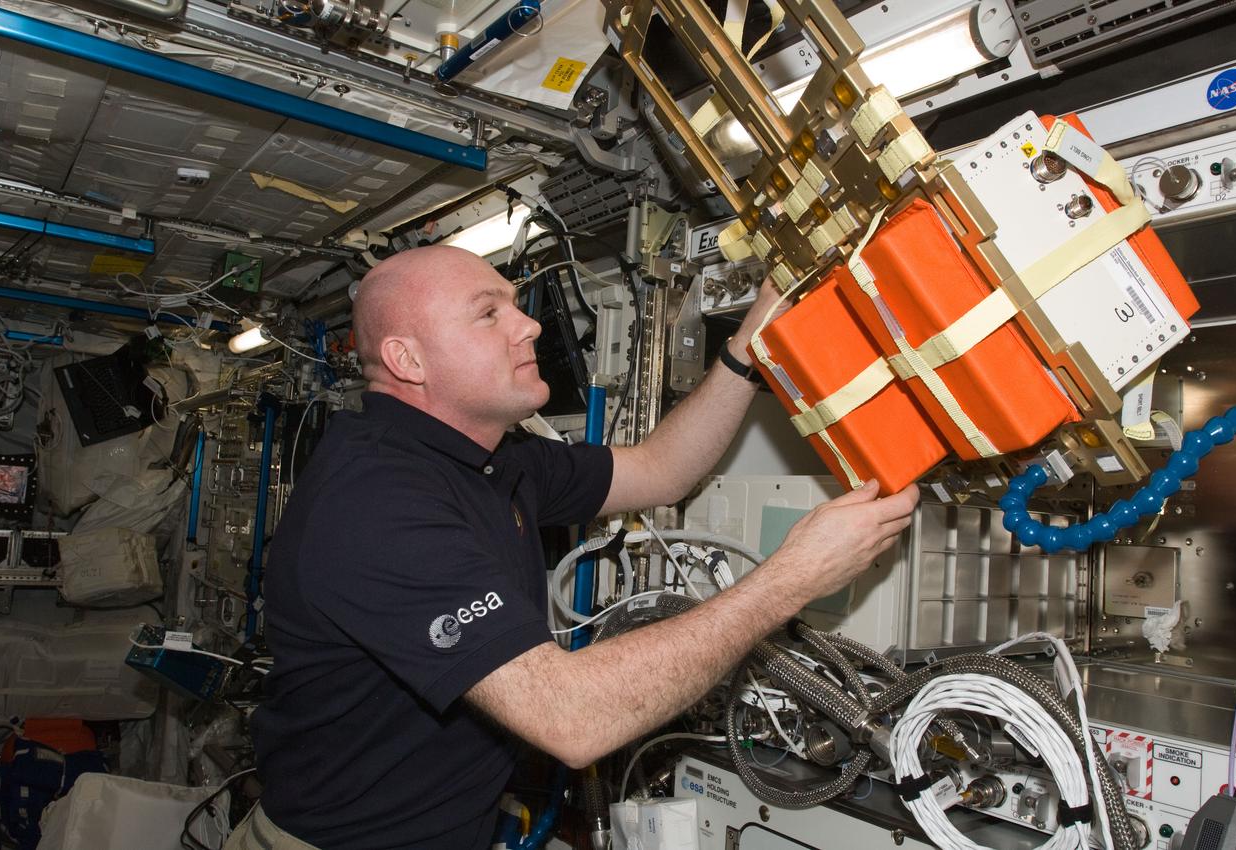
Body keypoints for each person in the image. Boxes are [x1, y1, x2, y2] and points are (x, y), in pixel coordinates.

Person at [235, 245, 918, 850]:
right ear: (407, 360)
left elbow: (661, 468)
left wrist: (749, 346)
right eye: (488, 313)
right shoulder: (377, 503)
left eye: (515, 304)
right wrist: (790, 579)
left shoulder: (492, 458)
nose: (527, 323)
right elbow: (573, 719)